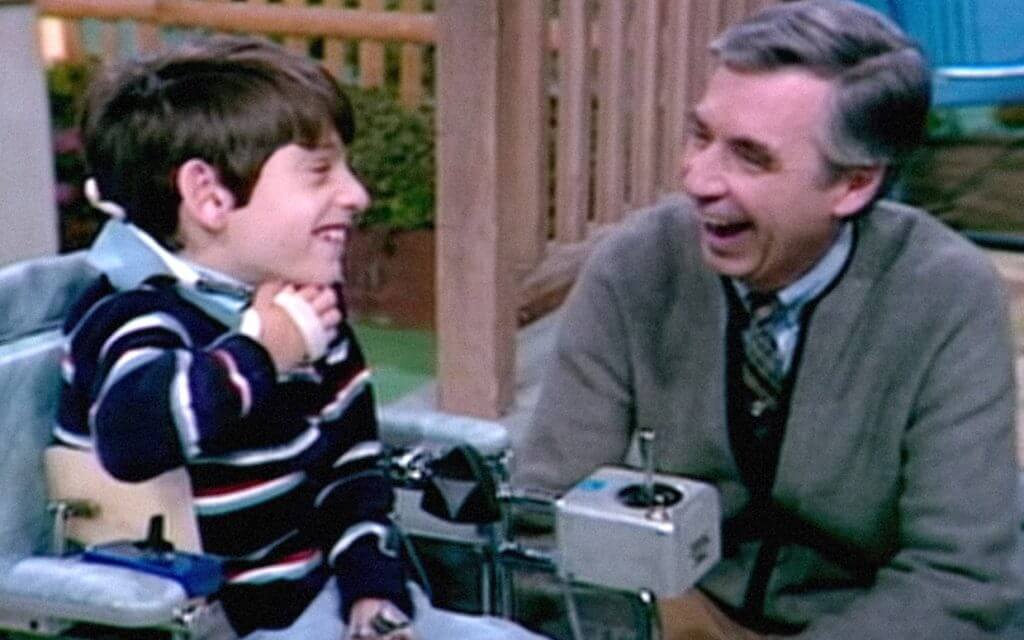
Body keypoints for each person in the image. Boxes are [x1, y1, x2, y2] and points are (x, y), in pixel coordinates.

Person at [516, 1, 1022, 638]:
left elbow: (961, 578)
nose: (698, 179)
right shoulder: (637, 266)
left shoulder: (945, 297)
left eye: (750, 157)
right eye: (700, 136)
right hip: (675, 614)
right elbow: (542, 518)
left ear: (854, 184)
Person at [56, 35, 545, 640]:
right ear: (210, 196)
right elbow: (131, 439)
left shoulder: (307, 309)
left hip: (320, 603)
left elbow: (350, 472)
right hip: (201, 623)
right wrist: (264, 354)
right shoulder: (134, 315)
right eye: (319, 173)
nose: (357, 195)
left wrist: (373, 595)